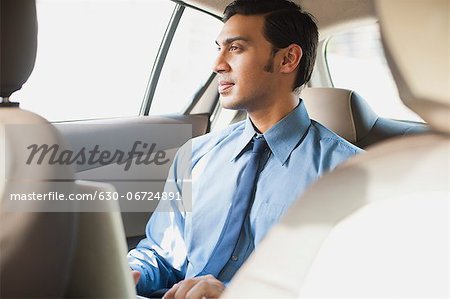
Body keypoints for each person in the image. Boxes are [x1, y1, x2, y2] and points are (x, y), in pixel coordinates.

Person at [128, 0, 362, 298]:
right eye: (218, 48)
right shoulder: (195, 156)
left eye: (236, 48)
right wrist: (129, 270)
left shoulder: (350, 174)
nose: (217, 64)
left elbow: (344, 285)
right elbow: (162, 253)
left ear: (287, 59)